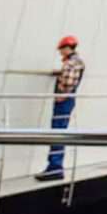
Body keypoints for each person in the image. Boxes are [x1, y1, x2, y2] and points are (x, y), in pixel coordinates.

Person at [34, 35, 85, 181]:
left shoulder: (70, 63)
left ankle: (55, 168)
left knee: (57, 133)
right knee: (59, 132)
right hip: (68, 101)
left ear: (67, 48)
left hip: (63, 102)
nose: (60, 52)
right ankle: (55, 167)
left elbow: (68, 83)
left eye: (61, 49)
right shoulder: (77, 62)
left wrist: (61, 96)